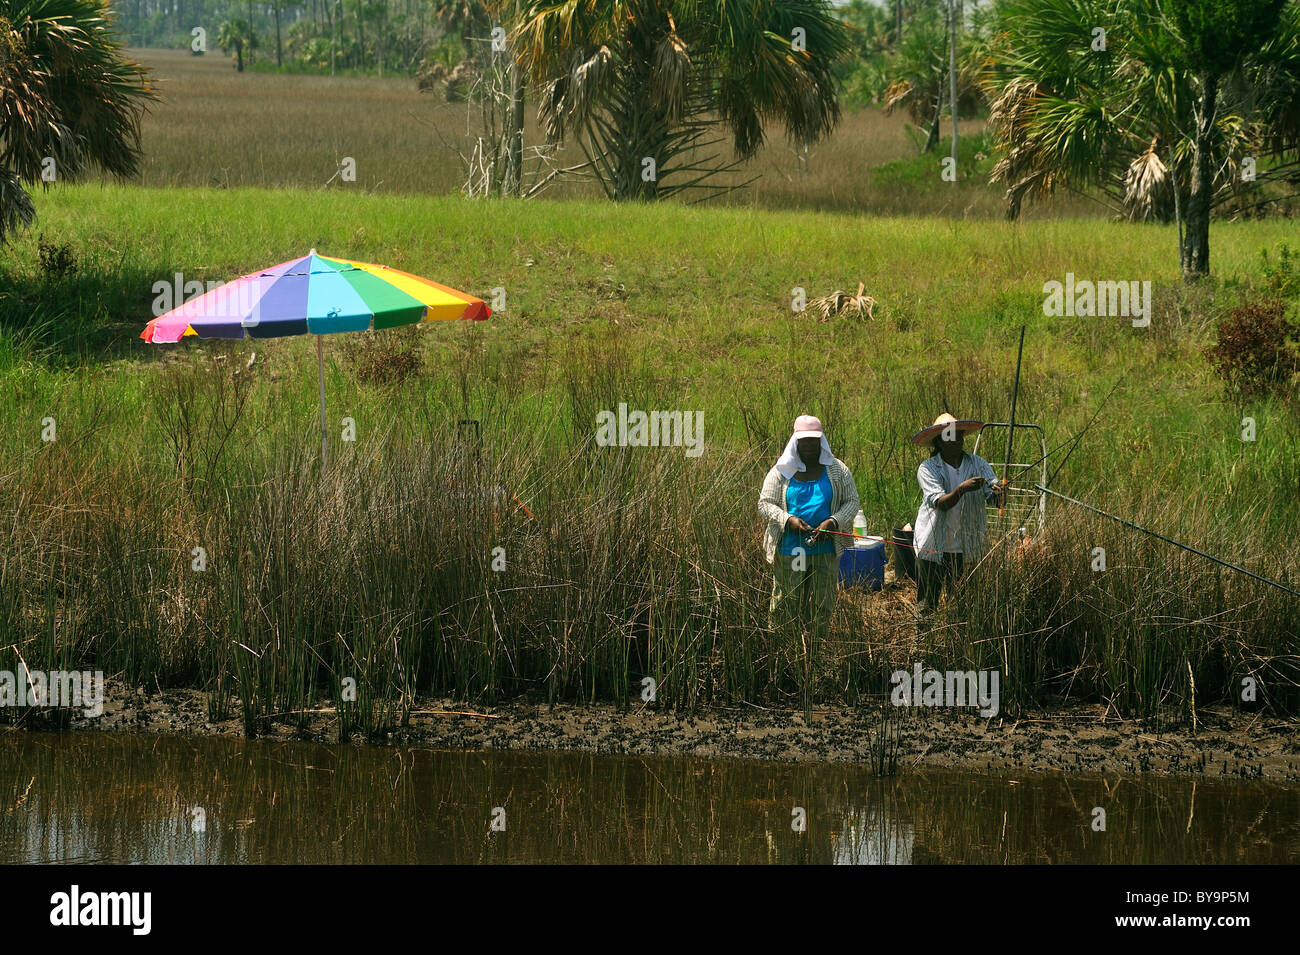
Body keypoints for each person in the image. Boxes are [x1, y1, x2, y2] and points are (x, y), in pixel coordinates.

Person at [758, 415, 861, 677]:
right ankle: (783, 661)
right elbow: (765, 503)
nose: (809, 447)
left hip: (824, 551)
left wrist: (833, 520)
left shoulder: (836, 470)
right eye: (804, 441)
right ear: (796, 441)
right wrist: (788, 519)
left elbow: (852, 502)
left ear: (821, 441)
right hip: (793, 550)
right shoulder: (783, 470)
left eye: (814, 442)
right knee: (786, 603)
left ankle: (814, 661)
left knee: (821, 605)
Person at [910, 412, 1006, 632]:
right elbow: (940, 502)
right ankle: (923, 646)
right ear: (938, 442)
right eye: (948, 436)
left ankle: (960, 646)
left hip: (966, 548)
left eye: (957, 436)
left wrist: (1000, 492)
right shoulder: (928, 468)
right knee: (927, 605)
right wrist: (963, 488)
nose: (954, 440)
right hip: (933, 547)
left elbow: (994, 499)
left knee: (964, 605)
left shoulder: (978, 464)